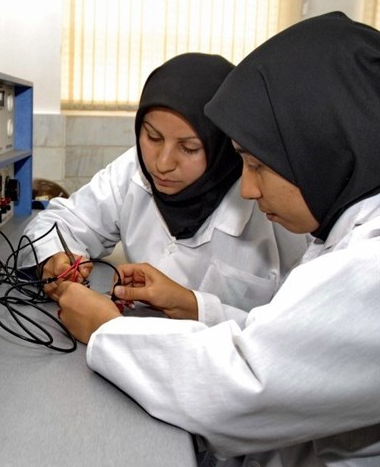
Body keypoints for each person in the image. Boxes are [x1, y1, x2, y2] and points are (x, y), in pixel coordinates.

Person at [55, 12, 380, 467]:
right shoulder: (346, 229)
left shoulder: (369, 264)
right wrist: (193, 306)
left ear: (322, 149)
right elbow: (285, 344)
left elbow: (242, 387)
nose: (247, 188)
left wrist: (106, 329)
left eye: (258, 165)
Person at [22, 53, 307, 324]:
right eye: (153, 137)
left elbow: (289, 335)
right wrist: (53, 258)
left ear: (223, 144)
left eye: (189, 147)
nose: (162, 163)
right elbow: (57, 222)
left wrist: (196, 308)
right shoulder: (133, 170)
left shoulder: (274, 202)